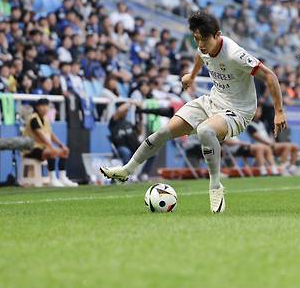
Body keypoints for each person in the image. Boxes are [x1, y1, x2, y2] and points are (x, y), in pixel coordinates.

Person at [101, 11, 287, 213]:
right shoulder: (204, 48)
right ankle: (126, 170)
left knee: (205, 131)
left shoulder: (234, 54)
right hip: (212, 101)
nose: (200, 44)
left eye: (204, 39)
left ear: (217, 35)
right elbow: (201, 55)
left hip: (238, 110)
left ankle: (215, 186)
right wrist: (192, 75)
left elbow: (270, 76)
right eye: (196, 39)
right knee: (164, 132)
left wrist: (278, 111)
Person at [22, 98, 77, 187]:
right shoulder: (34, 119)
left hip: (42, 148)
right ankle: (52, 179)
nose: (44, 108)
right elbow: (40, 135)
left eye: (46, 106)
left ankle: (63, 177)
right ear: (37, 107)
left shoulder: (45, 119)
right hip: (31, 148)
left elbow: (51, 135)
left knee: (65, 151)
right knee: (52, 152)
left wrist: (60, 144)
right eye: (42, 106)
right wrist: (50, 146)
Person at [247, 106, 299, 174]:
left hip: (270, 144)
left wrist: (272, 141)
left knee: (295, 146)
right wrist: (270, 143)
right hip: (260, 145)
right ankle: (282, 167)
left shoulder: (262, 123)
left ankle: (292, 167)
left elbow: (269, 135)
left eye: (259, 111)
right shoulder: (250, 125)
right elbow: (257, 137)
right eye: (256, 111)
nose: (258, 113)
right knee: (287, 146)